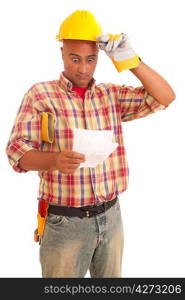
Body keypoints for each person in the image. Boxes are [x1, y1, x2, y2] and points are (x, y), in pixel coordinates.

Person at [5, 10, 175, 278]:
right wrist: (55, 160)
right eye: (74, 59)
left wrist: (132, 61)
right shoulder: (40, 95)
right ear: (62, 52)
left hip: (111, 217)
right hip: (64, 223)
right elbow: (16, 151)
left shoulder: (110, 95)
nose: (83, 68)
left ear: (98, 57)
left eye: (90, 59)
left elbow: (164, 97)